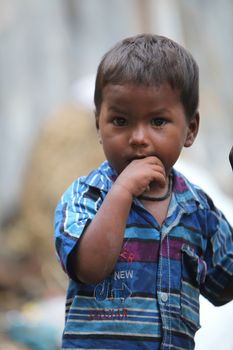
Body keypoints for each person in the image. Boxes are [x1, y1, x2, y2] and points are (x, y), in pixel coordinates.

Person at [54, 34, 233, 349]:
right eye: (120, 121)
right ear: (99, 125)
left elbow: (224, 287)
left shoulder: (198, 209)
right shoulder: (86, 196)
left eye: (158, 121)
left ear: (190, 129)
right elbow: (89, 268)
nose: (138, 137)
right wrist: (121, 191)